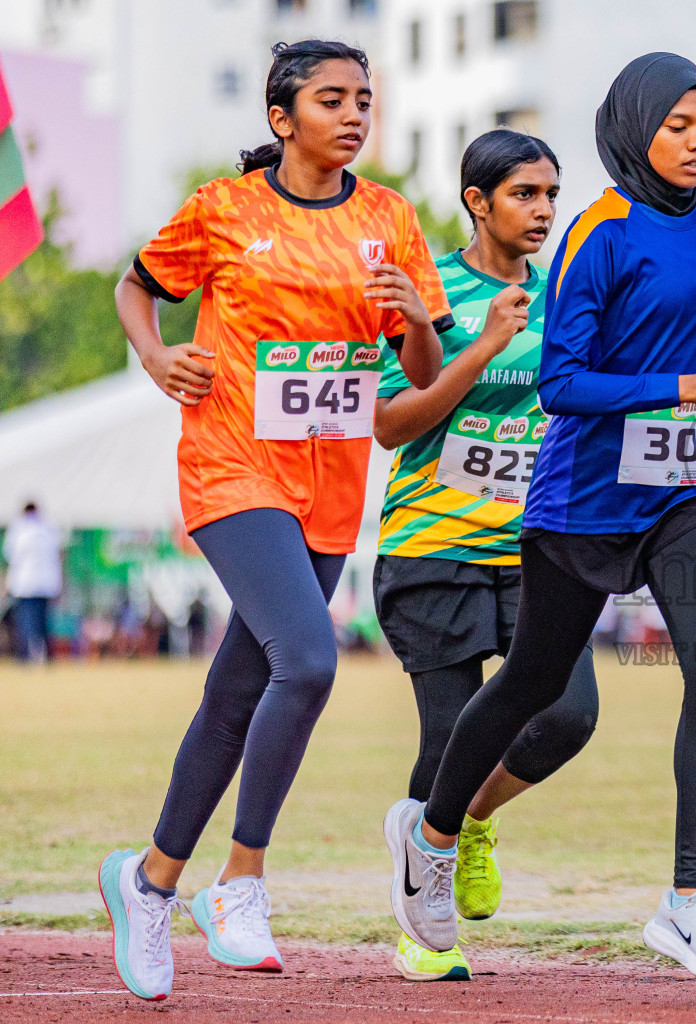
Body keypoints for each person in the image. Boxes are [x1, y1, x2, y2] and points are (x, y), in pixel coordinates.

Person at [383, 52, 696, 982]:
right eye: (678, 125)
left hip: (687, 486)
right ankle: (435, 837)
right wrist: (682, 384)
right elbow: (562, 384)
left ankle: (689, 904)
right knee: (530, 686)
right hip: (583, 500)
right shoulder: (599, 229)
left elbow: (687, 357)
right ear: (635, 128)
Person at [100, 40, 450, 1002]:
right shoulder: (223, 210)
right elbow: (136, 286)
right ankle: (241, 880)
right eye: (330, 98)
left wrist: (417, 314)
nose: (352, 114)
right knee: (309, 660)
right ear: (280, 118)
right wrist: (156, 354)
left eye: (364, 100)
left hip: (331, 485)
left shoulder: (389, 218)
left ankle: (150, 881)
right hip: (231, 464)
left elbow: (421, 373)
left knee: (238, 690)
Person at [372, 128, 601, 982]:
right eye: (524, 195)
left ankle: (466, 818)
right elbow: (391, 424)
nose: (543, 211)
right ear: (478, 200)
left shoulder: (569, 298)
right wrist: (483, 346)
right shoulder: (427, 286)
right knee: (445, 735)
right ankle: (420, 927)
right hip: (432, 544)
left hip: (539, 547)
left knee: (570, 715)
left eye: (551, 194)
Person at [4, 501, 62, 663]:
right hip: (46, 583)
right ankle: (48, 657)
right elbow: (58, 555)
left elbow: (10, 556)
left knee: (25, 623)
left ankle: (25, 657)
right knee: (44, 623)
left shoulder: (18, 529)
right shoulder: (49, 527)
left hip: (24, 584)